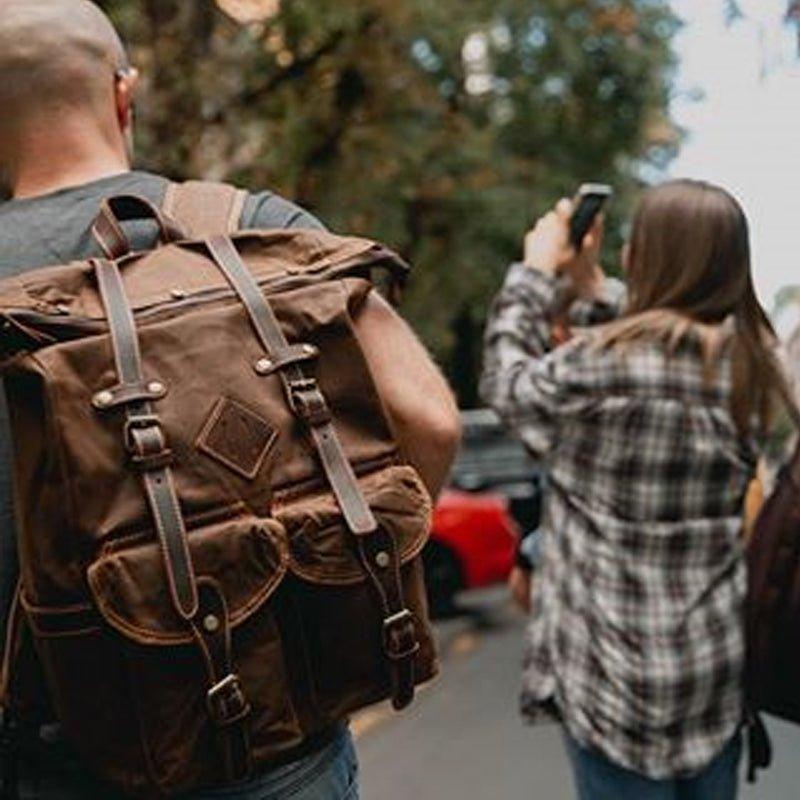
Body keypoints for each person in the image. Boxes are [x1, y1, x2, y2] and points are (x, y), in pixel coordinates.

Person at [0, 2, 461, 798]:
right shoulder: (243, 228)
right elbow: (430, 419)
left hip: (44, 761)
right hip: (265, 739)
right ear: (123, 94)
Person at [481, 180, 787, 799]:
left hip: (612, 686)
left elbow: (506, 381)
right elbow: (663, 336)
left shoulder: (599, 368)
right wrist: (591, 287)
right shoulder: (756, 369)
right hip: (712, 675)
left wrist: (535, 271)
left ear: (643, 259)